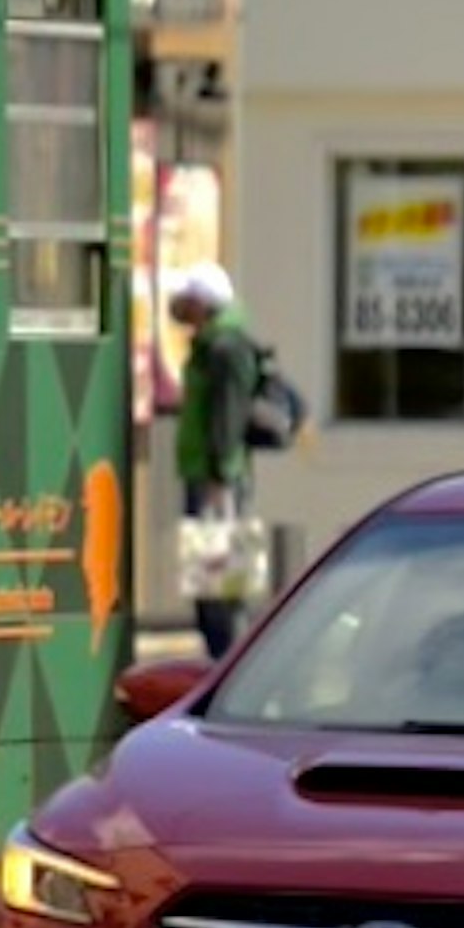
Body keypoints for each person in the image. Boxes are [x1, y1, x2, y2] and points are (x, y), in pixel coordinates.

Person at [171, 257, 268, 657]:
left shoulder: (227, 349)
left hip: (217, 478)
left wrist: (219, 474)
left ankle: (228, 654)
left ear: (204, 302)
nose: (178, 306)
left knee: (222, 572)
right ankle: (220, 649)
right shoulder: (211, 343)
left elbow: (227, 415)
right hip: (205, 472)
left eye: (187, 299)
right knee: (209, 571)